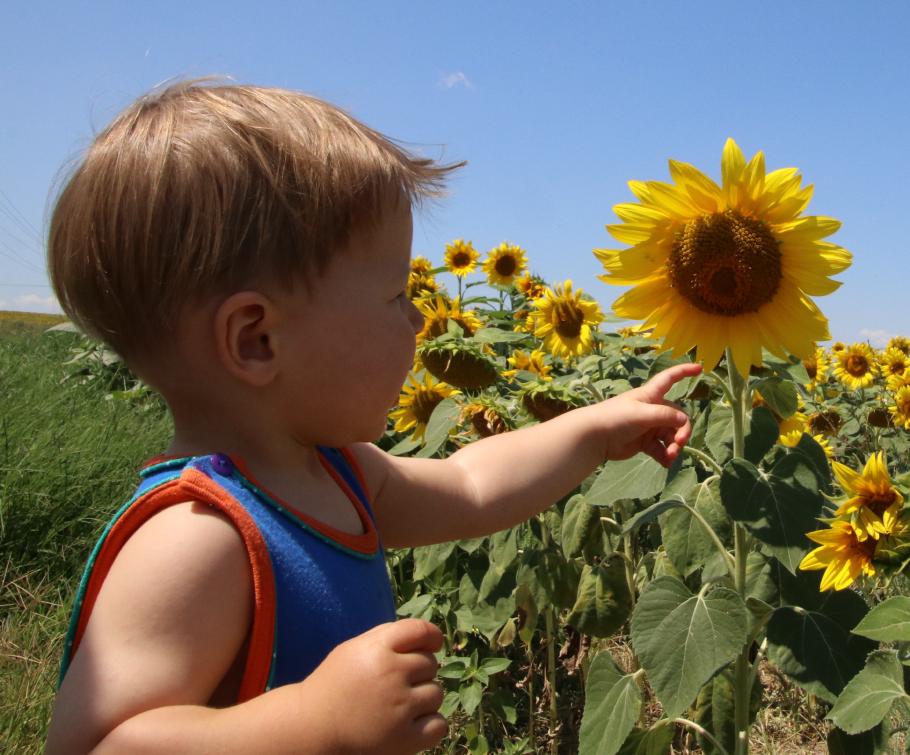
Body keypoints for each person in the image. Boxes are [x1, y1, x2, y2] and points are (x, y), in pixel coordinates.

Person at [44, 80, 701, 754]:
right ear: (257, 339)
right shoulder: (198, 538)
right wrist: (315, 721)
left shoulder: (340, 474)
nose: (417, 319)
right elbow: (97, 744)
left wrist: (593, 429)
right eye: (395, 295)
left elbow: (471, 485)